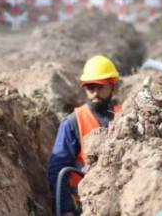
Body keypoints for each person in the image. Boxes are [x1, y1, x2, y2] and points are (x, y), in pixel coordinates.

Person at [47, 55, 122, 216]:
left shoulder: (126, 116)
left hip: (124, 197)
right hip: (86, 203)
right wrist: (66, 209)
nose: (95, 93)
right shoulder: (73, 122)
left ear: (113, 87)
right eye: (90, 88)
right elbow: (57, 168)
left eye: (100, 87)